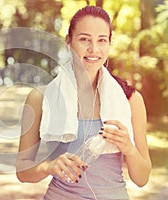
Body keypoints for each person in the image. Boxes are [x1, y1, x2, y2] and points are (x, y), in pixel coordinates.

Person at [16, 6, 152, 200]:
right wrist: (48, 166)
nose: (93, 49)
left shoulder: (130, 100)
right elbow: (22, 171)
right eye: (84, 39)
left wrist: (128, 148)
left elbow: (142, 178)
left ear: (109, 44)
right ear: (68, 42)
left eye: (102, 40)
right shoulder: (40, 98)